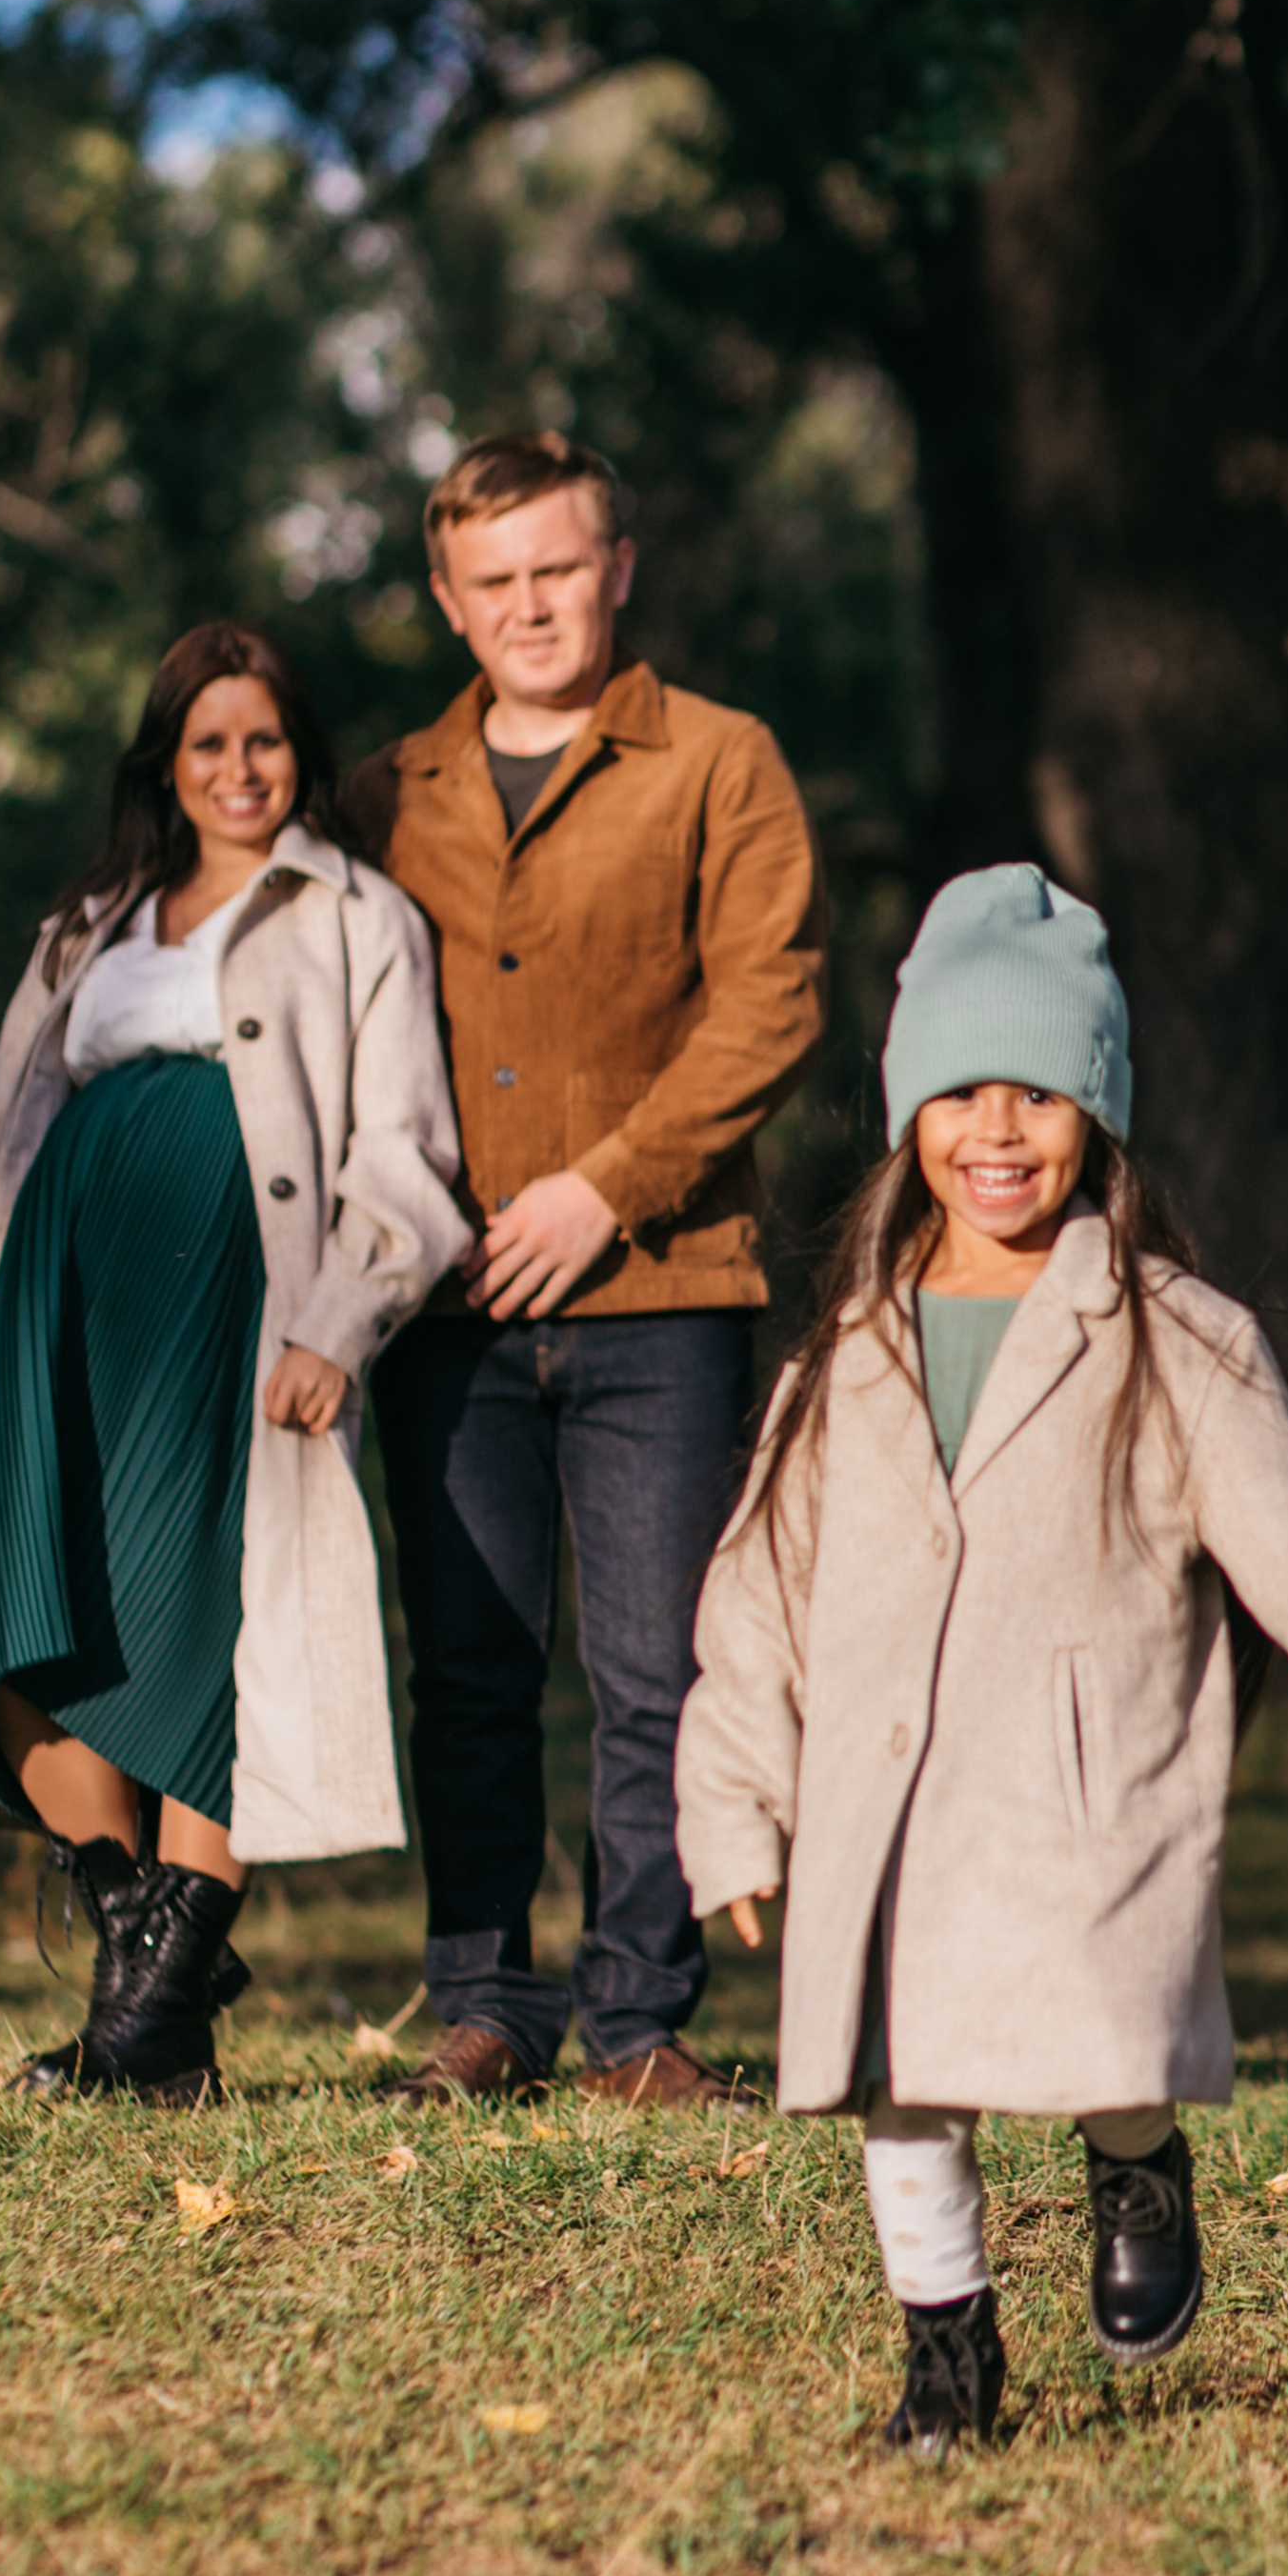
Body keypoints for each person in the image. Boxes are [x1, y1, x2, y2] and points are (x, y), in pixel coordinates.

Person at [674, 863, 1288, 2449]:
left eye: (1036, 1092)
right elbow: (756, 1598)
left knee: (1094, 2032)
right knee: (903, 2085)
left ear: (1099, 1116)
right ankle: (949, 2366)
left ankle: (1135, 2156)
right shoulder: (847, 1354)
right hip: (888, 1802)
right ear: (905, 1116)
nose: (995, 1132)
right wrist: (732, 1809)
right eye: (958, 1092)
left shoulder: (1177, 1339)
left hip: (1086, 1803)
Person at [0, 624, 467, 2103]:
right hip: (59, 1300)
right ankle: (152, 1955)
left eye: (264, 742)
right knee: (12, 1613)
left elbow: (405, 1147)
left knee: (204, 1626)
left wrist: (338, 1322)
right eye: (208, 745)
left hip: (242, 1306)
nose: (239, 772)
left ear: (299, 755)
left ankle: (146, 2027)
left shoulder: (359, 915)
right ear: (166, 766)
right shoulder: (94, 925)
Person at [348, 431, 827, 2109]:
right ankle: (485, 2005)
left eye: (559, 569)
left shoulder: (720, 761)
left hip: (664, 1296)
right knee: (470, 1670)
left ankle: (639, 2025)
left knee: (656, 1673)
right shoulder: (383, 794)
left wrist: (598, 1192)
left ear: (617, 568)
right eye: (496, 582)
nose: (531, 605)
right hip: (445, 1319)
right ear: (447, 597)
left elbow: (771, 1005)